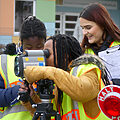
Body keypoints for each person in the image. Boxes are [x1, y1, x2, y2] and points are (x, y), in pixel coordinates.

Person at [21, 34, 111, 120]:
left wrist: (46, 71)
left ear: (64, 54)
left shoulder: (88, 69)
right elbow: (50, 115)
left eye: (47, 54)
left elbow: (82, 90)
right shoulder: (59, 83)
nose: (44, 59)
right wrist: (31, 99)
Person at [0, 16, 46, 120]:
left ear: (45, 42)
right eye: (29, 47)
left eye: (39, 47)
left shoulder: (51, 62)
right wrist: (17, 92)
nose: (34, 51)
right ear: (21, 43)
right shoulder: (4, 62)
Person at [79, 3, 120, 85]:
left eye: (88, 27)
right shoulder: (83, 52)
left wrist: (113, 84)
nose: (84, 32)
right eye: (82, 28)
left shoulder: (118, 48)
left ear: (102, 24)